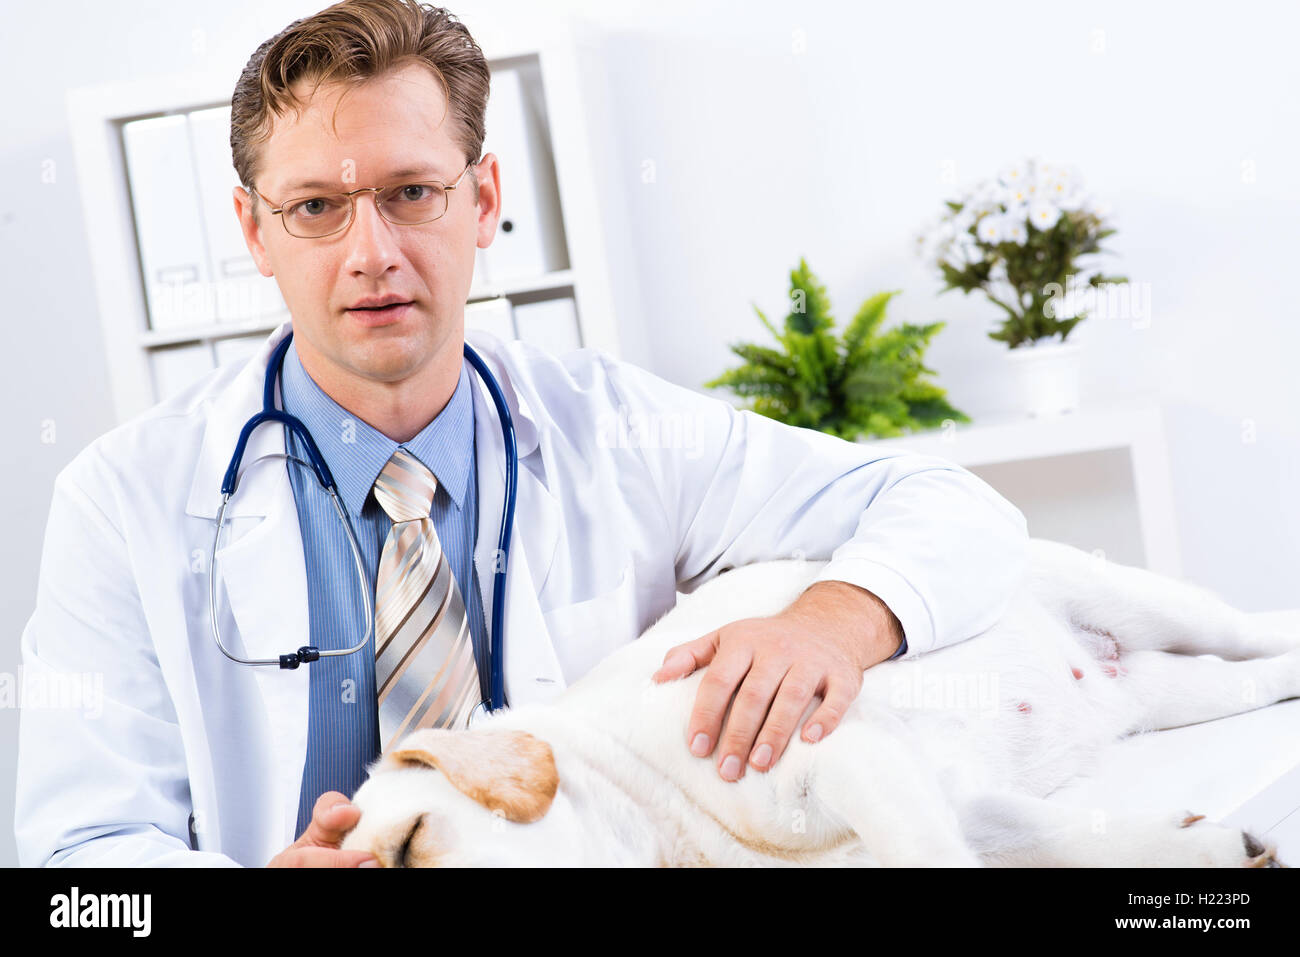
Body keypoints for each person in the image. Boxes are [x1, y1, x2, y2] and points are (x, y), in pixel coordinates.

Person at [14, 0, 1029, 868]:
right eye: (317, 207)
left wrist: (831, 623)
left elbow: (951, 508)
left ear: (483, 200)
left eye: (411, 193)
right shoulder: (125, 499)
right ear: (254, 233)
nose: (372, 253)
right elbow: (78, 869)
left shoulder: (617, 429)